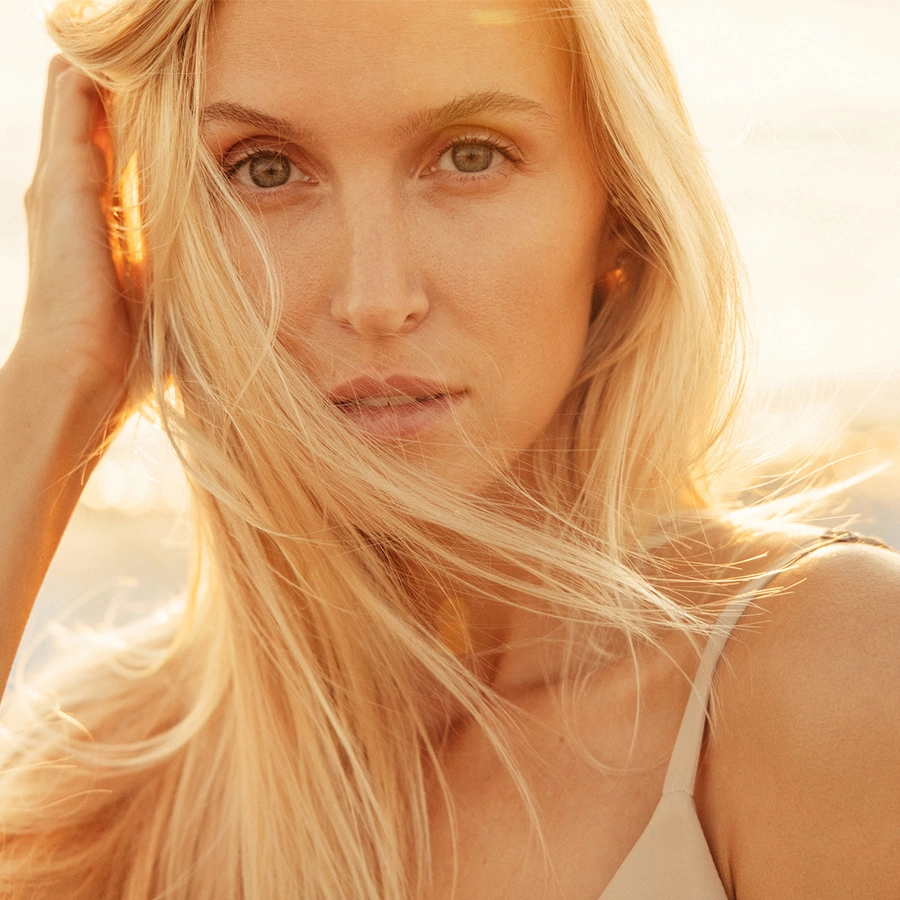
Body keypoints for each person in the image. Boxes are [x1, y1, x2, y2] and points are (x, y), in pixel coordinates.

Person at [0, 0, 898, 897]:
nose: (375, 297)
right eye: (265, 170)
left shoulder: (825, 672)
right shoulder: (99, 792)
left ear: (617, 210)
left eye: (470, 156)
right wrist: (55, 375)